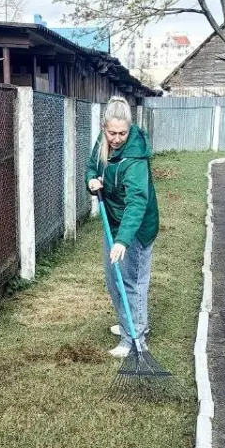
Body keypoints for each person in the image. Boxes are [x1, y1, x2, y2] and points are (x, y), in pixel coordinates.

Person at [86, 96, 160, 358]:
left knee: (132, 282)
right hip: (113, 220)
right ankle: (130, 323)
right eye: (112, 133)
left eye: (122, 133)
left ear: (129, 129)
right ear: (104, 128)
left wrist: (123, 240)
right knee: (113, 279)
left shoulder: (135, 159)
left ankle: (134, 339)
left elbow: (137, 203)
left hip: (135, 227)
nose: (116, 139)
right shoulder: (103, 142)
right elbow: (91, 167)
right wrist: (91, 181)